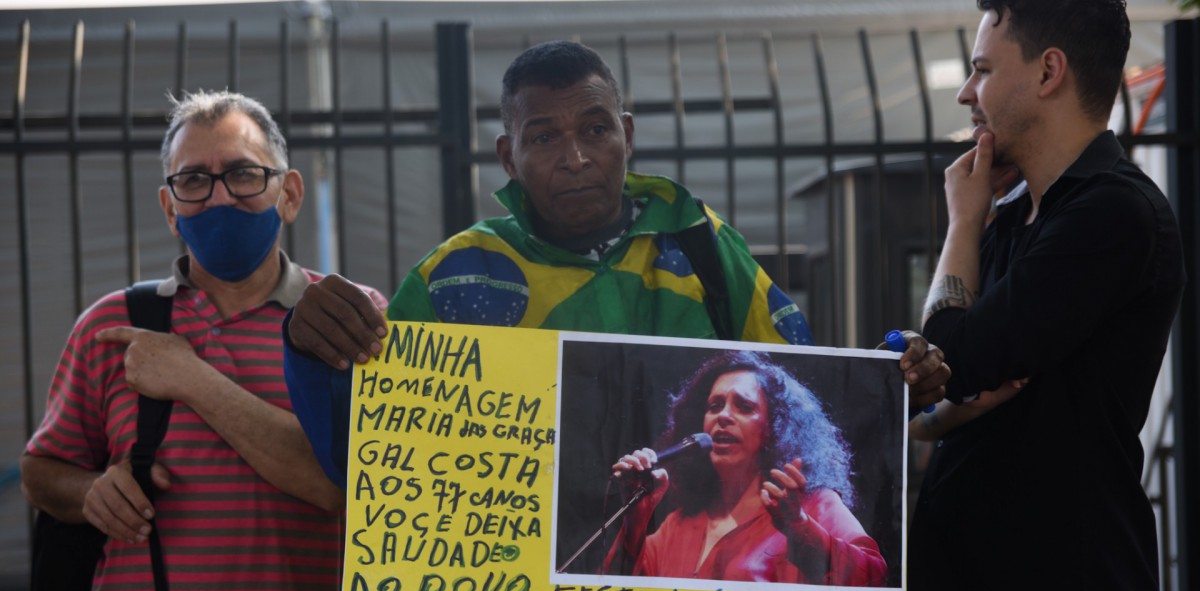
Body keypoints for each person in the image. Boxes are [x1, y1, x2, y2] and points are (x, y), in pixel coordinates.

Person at [283, 40, 950, 489]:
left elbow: (800, 397)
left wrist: (889, 375)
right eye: (543, 136)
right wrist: (309, 351)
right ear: (508, 156)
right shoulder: (456, 278)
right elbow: (373, 460)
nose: (574, 157)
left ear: (626, 134)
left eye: (595, 129)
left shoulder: (704, 249)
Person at [20, 90, 383, 591]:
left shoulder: (349, 322)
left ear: (290, 192)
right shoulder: (111, 327)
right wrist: (90, 491)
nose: (219, 198)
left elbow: (349, 487)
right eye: (193, 180)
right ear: (169, 206)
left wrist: (191, 378)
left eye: (244, 173)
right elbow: (41, 471)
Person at [909, 0, 1185, 591]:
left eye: (983, 69)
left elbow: (955, 353)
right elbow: (934, 383)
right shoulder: (1019, 215)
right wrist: (942, 401)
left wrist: (962, 222)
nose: (968, 94)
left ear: (1050, 71)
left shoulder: (1110, 213)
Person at [606, 350, 887, 586]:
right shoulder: (676, 526)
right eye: (714, 406)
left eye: (743, 406)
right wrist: (636, 518)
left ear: (774, 428)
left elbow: (873, 577)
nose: (724, 416)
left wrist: (798, 526)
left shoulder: (813, 505)